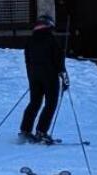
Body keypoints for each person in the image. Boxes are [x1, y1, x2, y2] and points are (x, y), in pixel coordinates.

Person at [18, 14, 67, 144]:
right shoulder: (51, 39)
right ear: (49, 25)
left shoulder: (30, 40)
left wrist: (32, 75)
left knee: (34, 102)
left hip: (34, 76)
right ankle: (41, 131)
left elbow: (27, 59)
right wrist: (64, 76)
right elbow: (58, 59)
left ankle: (25, 130)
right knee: (51, 103)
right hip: (50, 77)